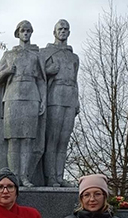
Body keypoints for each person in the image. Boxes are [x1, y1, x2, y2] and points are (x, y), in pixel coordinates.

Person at [0, 20, 46, 187]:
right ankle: (13, 178)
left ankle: (25, 176)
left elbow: (42, 81)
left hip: (32, 98)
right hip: (12, 99)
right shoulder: (9, 55)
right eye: (23, 31)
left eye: (28, 31)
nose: (26, 34)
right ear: (18, 33)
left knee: (27, 139)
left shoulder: (36, 55)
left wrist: (43, 100)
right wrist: (6, 71)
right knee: (13, 140)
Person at [40, 19, 80, 187]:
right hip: (54, 95)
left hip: (70, 96)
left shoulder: (73, 56)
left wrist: (77, 99)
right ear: (54, 32)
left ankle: (59, 176)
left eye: (66, 29)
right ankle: (50, 178)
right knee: (53, 139)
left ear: (69, 32)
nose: (63, 31)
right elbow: (38, 74)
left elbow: (75, 79)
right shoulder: (46, 52)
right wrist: (48, 71)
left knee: (64, 139)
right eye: (60, 29)